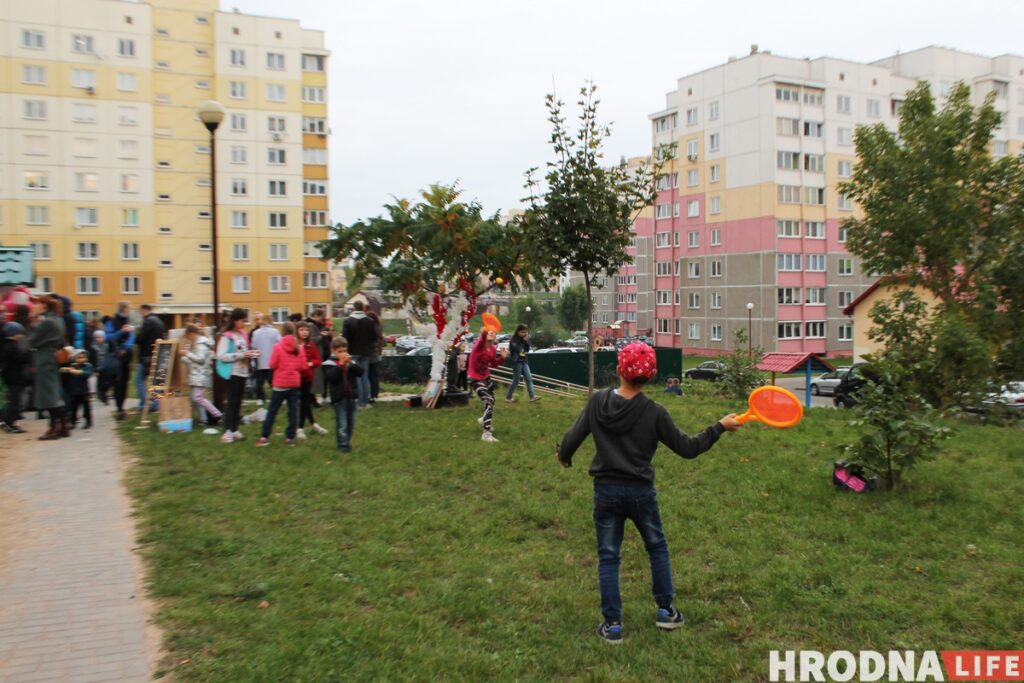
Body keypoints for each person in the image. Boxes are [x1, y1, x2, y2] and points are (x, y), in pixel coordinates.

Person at [556, 342, 742, 644]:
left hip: (606, 491)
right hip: (641, 492)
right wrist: (719, 426)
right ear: (653, 376)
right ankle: (666, 612)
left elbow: (571, 440)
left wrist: (563, 456)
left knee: (608, 555)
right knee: (656, 547)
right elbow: (688, 448)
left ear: (618, 370)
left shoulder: (596, 402)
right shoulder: (655, 412)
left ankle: (613, 624)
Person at [256, 323, 305, 447]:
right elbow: (302, 366)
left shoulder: (277, 347)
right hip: (294, 383)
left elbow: (272, 364)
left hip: (280, 384)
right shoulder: (299, 347)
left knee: (272, 411)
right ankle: (289, 438)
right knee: (293, 412)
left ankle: (264, 436)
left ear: (282, 332)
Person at [216, 308, 259, 444]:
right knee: (232, 402)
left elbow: (244, 350)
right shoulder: (226, 336)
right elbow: (221, 356)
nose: (245, 323)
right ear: (235, 320)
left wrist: (252, 353)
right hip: (232, 372)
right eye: (242, 320)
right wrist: (241, 355)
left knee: (238, 402)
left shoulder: (243, 335)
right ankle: (228, 431)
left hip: (243, 372)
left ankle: (235, 429)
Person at [28, 297, 68, 440]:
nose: (34, 306)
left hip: (45, 359)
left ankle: (54, 427)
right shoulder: (58, 319)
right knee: (55, 392)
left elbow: (32, 340)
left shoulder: (47, 322)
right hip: (53, 356)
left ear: (44, 306)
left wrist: (33, 321)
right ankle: (63, 425)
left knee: (49, 394)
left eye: (37, 304)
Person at [322, 336, 363, 453]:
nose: (343, 354)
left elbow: (360, 372)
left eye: (344, 351)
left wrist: (352, 364)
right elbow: (331, 378)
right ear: (333, 351)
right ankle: (343, 445)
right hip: (339, 398)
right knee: (342, 423)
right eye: (340, 352)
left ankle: (347, 441)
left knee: (351, 422)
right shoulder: (329, 363)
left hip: (351, 396)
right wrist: (340, 365)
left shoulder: (351, 362)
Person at [468, 329, 508, 443]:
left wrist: (502, 358)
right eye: (489, 332)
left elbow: (493, 364)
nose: (491, 333)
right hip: (474, 378)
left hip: (486, 377)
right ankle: (486, 434)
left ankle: (483, 420)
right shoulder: (479, 347)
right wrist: (485, 330)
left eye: (494, 332)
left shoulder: (493, 349)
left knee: (492, 400)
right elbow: (483, 336)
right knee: (489, 401)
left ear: (496, 337)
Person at [180, 324, 222, 427]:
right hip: (196, 375)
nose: (188, 339)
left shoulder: (201, 344)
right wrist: (184, 358)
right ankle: (203, 420)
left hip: (201, 375)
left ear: (191, 334)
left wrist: (187, 354)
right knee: (195, 399)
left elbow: (200, 359)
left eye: (188, 337)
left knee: (198, 398)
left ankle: (219, 415)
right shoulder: (196, 344)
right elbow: (193, 361)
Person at [342, 301, 378, 408]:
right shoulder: (370, 321)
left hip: (353, 351)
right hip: (366, 352)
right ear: (363, 308)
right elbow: (374, 337)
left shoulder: (348, 321)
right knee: (364, 376)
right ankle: (365, 402)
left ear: (353, 308)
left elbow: (345, 338)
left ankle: (358, 402)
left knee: (356, 376)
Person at [295, 322, 327, 438]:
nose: (304, 332)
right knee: (304, 402)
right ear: (297, 331)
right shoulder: (293, 344)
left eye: (306, 330)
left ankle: (300, 428)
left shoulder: (311, 345)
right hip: (294, 377)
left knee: (305, 402)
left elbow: (318, 360)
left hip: (307, 377)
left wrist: (311, 363)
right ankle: (313, 424)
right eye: (302, 330)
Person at [135, 304, 167, 412]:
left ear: (144, 310)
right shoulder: (159, 321)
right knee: (156, 382)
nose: (140, 314)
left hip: (146, 356)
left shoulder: (147, 321)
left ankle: (147, 403)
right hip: (158, 354)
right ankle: (156, 403)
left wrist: (135, 336)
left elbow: (140, 338)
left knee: (139, 380)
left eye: (141, 311)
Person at [1, 322, 30, 433]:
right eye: (20, 334)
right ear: (14, 334)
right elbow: (20, 360)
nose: (21, 336)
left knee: (12, 400)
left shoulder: (6, 345)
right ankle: (9, 423)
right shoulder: (11, 346)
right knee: (14, 401)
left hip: (9, 377)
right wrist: (28, 353)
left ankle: (10, 422)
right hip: (13, 377)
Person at [250, 318, 281, 407]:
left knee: (259, 382)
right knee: (273, 381)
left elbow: (253, 346)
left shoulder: (256, 332)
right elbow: (280, 342)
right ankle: (276, 397)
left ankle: (260, 398)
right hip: (272, 360)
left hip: (260, 360)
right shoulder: (275, 331)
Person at [506, 324, 540, 403]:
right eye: (522, 332)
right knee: (516, 380)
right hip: (517, 362)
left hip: (524, 361)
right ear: (518, 332)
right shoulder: (513, 341)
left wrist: (526, 341)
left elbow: (527, 349)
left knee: (529, 378)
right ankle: (509, 397)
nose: (524, 334)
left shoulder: (523, 340)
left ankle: (532, 396)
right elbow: (518, 349)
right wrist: (524, 341)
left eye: (525, 332)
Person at [62, 349, 93, 429]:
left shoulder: (88, 366)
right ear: (75, 358)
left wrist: (77, 371)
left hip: (84, 391)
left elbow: (87, 374)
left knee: (86, 408)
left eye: (83, 357)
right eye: (79, 358)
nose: (81, 359)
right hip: (74, 391)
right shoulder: (72, 366)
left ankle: (88, 421)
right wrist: (66, 370)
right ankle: (72, 422)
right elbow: (63, 371)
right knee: (73, 408)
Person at [365, 310, 383, 403]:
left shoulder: (371, 328)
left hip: (370, 355)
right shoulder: (378, 327)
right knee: (375, 376)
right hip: (376, 354)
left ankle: (371, 395)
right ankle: (375, 394)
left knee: (370, 376)